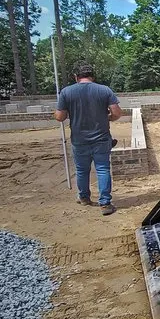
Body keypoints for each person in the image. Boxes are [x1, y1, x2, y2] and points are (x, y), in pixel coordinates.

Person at [54, 64, 122, 215]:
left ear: (76, 77)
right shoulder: (104, 90)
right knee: (103, 169)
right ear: (93, 76)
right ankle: (105, 204)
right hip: (101, 138)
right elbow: (117, 113)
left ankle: (84, 198)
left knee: (81, 170)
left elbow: (60, 117)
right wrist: (108, 118)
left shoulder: (66, 92)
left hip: (79, 139)